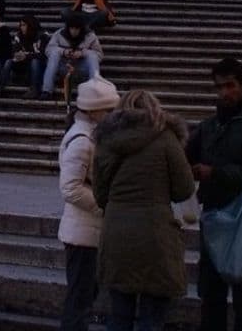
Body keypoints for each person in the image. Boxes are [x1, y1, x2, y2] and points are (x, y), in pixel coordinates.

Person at [94, 89, 196, 331]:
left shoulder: (107, 141)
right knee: (152, 317)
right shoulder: (167, 138)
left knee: (119, 315)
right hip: (156, 236)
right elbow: (184, 189)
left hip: (117, 235)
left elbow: (100, 196)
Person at [186, 58, 242, 331]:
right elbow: (185, 157)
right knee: (211, 296)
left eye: (230, 86)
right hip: (213, 217)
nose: (225, 93)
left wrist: (213, 172)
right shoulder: (209, 126)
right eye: (219, 87)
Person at [57, 77, 121, 331]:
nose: (113, 116)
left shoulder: (89, 135)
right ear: (95, 111)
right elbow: (70, 189)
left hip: (88, 231)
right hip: (83, 233)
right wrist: (104, 206)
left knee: (84, 296)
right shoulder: (83, 140)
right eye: (109, 110)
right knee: (79, 299)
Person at [41, 15, 104, 101]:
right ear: (68, 28)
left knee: (92, 55)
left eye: (77, 29)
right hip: (64, 67)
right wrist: (63, 51)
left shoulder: (90, 36)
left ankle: (93, 90)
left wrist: (82, 53)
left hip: (80, 68)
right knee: (54, 53)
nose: (74, 31)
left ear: (81, 28)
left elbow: (99, 55)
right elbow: (48, 50)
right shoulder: (59, 34)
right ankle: (47, 91)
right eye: (72, 28)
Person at [2, 14, 47, 99]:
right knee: (9, 61)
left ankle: (34, 88)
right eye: (21, 25)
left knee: (35, 61)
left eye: (24, 25)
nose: (22, 27)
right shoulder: (19, 35)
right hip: (24, 64)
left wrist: (26, 55)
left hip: (39, 65)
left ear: (31, 25)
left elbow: (43, 54)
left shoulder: (42, 36)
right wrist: (16, 54)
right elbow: (14, 50)